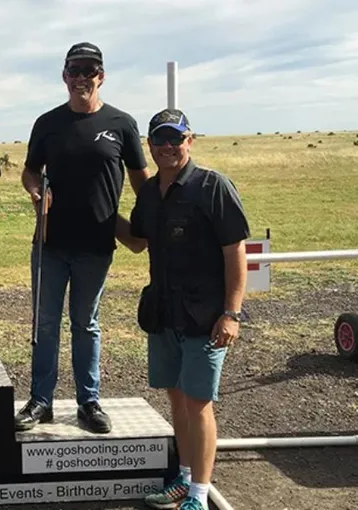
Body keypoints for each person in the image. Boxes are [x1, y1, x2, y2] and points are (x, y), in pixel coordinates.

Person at [115, 108, 249, 510]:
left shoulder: (212, 186)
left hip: (206, 318)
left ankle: (199, 496)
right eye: (160, 139)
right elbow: (137, 241)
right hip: (164, 313)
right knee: (177, 398)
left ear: (190, 140)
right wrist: (98, 213)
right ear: (150, 145)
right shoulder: (149, 192)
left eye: (176, 138)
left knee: (198, 402)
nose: (168, 146)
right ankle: (185, 478)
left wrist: (232, 314)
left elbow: (235, 252)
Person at [15, 42, 150, 434]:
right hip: (49, 244)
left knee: (85, 324)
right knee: (45, 324)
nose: (81, 78)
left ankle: (88, 402)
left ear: (101, 77)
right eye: (74, 70)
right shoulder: (47, 123)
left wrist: (154, 223)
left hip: (96, 246)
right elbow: (29, 171)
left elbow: (142, 183)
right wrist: (35, 192)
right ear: (64, 76)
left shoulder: (122, 124)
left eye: (89, 71)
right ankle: (40, 401)